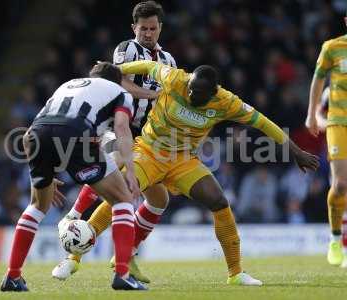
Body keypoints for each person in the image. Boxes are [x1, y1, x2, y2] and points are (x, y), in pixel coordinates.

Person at [61, 60, 319, 286]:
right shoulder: (176, 79)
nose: (192, 93)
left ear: (213, 93)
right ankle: (74, 257)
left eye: (198, 93)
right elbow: (148, 66)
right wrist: (118, 70)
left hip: (183, 160)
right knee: (123, 194)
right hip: (149, 151)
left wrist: (295, 151)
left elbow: (263, 122)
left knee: (219, 201)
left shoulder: (226, 102)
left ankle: (236, 273)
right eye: (192, 88)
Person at [52, 0, 176, 282]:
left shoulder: (168, 61)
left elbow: (171, 98)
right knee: (114, 170)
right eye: (142, 28)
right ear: (134, 27)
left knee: (159, 199)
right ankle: (73, 228)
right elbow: (118, 83)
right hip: (115, 124)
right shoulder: (126, 49)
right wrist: (155, 95)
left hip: (149, 137)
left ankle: (128, 254)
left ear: (160, 28)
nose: (147, 33)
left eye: (152, 28)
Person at [0, 62, 147, 291]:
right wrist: (130, 167)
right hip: (76, 132)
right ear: (117, 80)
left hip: (34, 135)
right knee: (123, 199)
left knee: (37, 206)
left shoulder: (68, 85)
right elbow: (121, 127)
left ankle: (13, 276)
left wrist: (48, 173)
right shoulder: (121, 92)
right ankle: (122, 274)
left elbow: (42, 127)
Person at [305, 15, 347, 267]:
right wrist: (311, 115)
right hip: (339, 121)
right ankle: (334, 238)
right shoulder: (332, 47)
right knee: (341, 184)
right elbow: (318, 79)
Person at [309, 85, 347, 267]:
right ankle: (339, 243)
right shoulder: (330, 91)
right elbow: (317, 116)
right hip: (337, 145)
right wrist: (330, 123)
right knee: (341, 189)